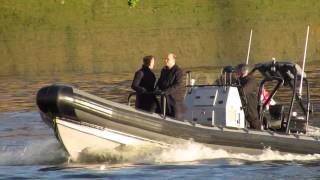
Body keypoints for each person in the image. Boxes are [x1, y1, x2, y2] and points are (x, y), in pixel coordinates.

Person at [157, 53, 185, 120]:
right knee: (165, 121)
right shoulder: (164, 70)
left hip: (175, 102)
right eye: (165, 59)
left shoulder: (178, 71)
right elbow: (160, 82)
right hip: (165, 101)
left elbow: (178, 84)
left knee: (176, 122)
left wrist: (165, 92)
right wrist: (157, 89)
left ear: (173, 60)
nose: (165, 60)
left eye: (168, 59)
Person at [237, 64, 261, 130]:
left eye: (239, 70)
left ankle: (259, 133)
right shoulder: (239, 80)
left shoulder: (251, 80)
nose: (238, 72)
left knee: (253, 119)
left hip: (250, 104)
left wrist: (234, 91)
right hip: (241, 104)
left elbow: (244, 91)